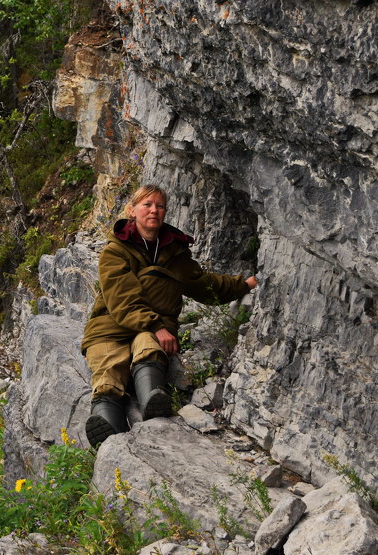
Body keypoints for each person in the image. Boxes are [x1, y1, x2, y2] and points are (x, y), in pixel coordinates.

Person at [82, 184, 259, 447]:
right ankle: (110, 434)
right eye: (147, 204)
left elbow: (204, 284)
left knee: (148, 347)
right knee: (109, 368)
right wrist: (157, 326)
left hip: (150, 329)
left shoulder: (174, 253)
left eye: (160, 206)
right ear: (132, 210)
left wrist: (244, 285)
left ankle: (153, 399)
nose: (154, 210)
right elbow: (122, 300)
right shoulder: (115, 251)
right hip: (111, 326)